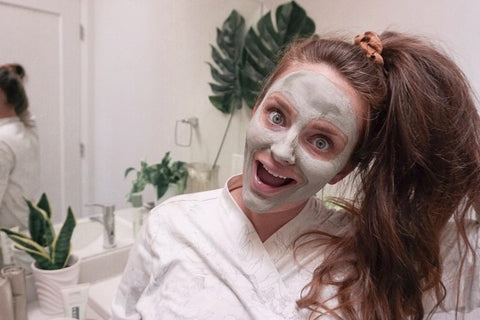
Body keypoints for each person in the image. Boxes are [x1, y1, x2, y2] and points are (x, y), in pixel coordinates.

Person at [112, 31, 480, 319]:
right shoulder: (170, 225)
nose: (282, 150)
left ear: (345, 168)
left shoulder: (368, 255)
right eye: (276, 115)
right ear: (256, 108)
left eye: (321, 141)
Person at [0, 64, 40, 230]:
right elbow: (26, 112)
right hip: (29, 235)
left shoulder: (2, 141)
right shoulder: (28, 129)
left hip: (9, 246)